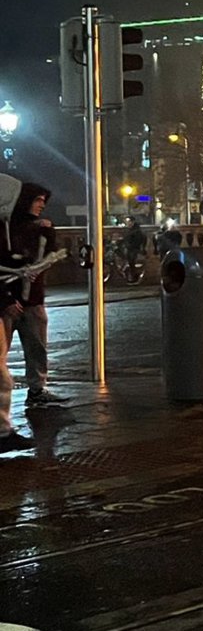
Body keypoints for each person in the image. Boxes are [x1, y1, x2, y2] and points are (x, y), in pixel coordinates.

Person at [1, 178, 67, 451]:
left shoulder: (36, 228)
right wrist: (5, 297)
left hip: (29, 299)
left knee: (35, 344)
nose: (41, 206)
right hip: (8, 301)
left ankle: (35, 390)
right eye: (38, 200)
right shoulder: (6, 229)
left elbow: (45, 255)